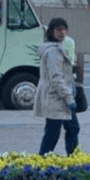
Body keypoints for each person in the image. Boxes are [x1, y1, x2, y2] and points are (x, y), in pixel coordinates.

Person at [34, 18, 79, 156]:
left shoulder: (57, 48)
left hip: (58, 97)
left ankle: (70, 156)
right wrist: (69, 98)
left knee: (68, 128)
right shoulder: (52, 52)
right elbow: (56, 78)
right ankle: (45, 159)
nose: (62, 32)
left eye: (64, 29)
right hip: (56, 98)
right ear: (51, 31)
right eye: (58, 29)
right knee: (54, 131)